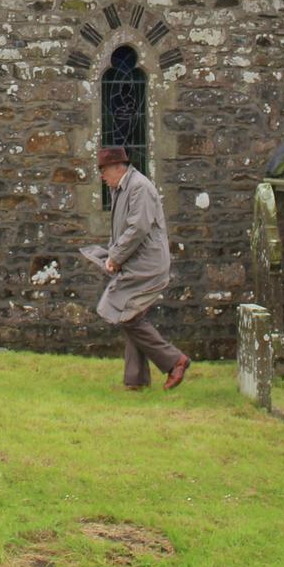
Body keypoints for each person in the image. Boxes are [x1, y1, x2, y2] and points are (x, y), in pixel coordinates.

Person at [95, 145, 189, 391]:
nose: (102, 177)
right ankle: (135, 381)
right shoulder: (121, 189)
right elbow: (120, 230)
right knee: (132, 317)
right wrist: (112, 254)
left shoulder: (140, 188)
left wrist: (115, 257)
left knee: (125, 313)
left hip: (148, 267)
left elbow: (138, 229)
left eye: (103, 170)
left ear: (118, 167)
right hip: (137, 263)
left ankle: (174, 361)